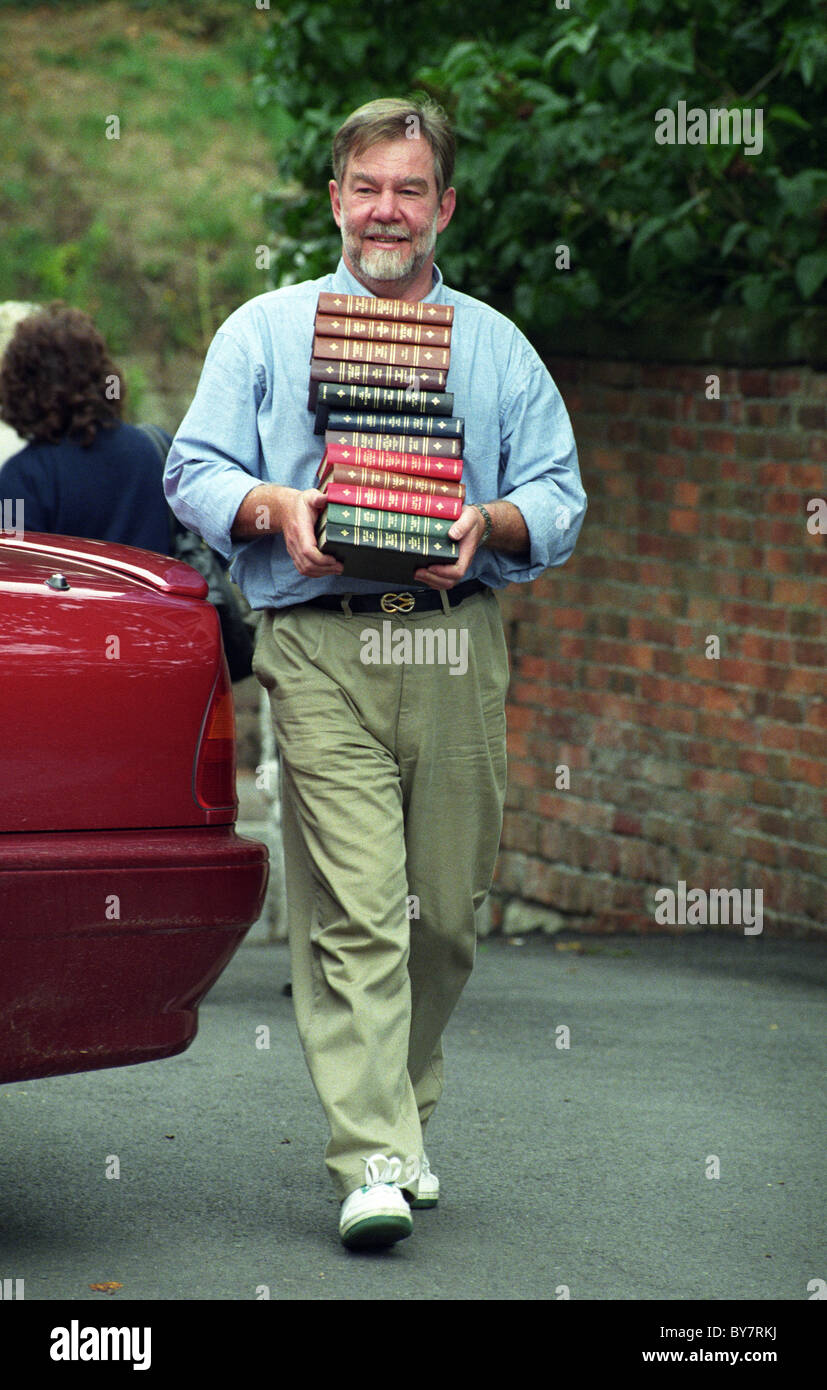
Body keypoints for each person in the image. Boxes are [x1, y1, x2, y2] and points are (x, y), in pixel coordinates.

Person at [164, 96, 587, 1251]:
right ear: (335, 199)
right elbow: (192, 467)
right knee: (358, 911)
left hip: (454, 640)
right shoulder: (262, 331)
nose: (385, 210)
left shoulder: (498, 346)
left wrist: (490, 519)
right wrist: (270, 503)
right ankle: (374, 1158)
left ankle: (400, 1108)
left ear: (442, 206)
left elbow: (559, 494)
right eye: (367, 187)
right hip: (316, 641)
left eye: (410, 189)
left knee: (442, 918)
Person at [0, 302, 170, 555]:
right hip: (157, 595)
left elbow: (12, 567)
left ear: (21, 385)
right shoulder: (158, 449)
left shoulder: (22, 478)